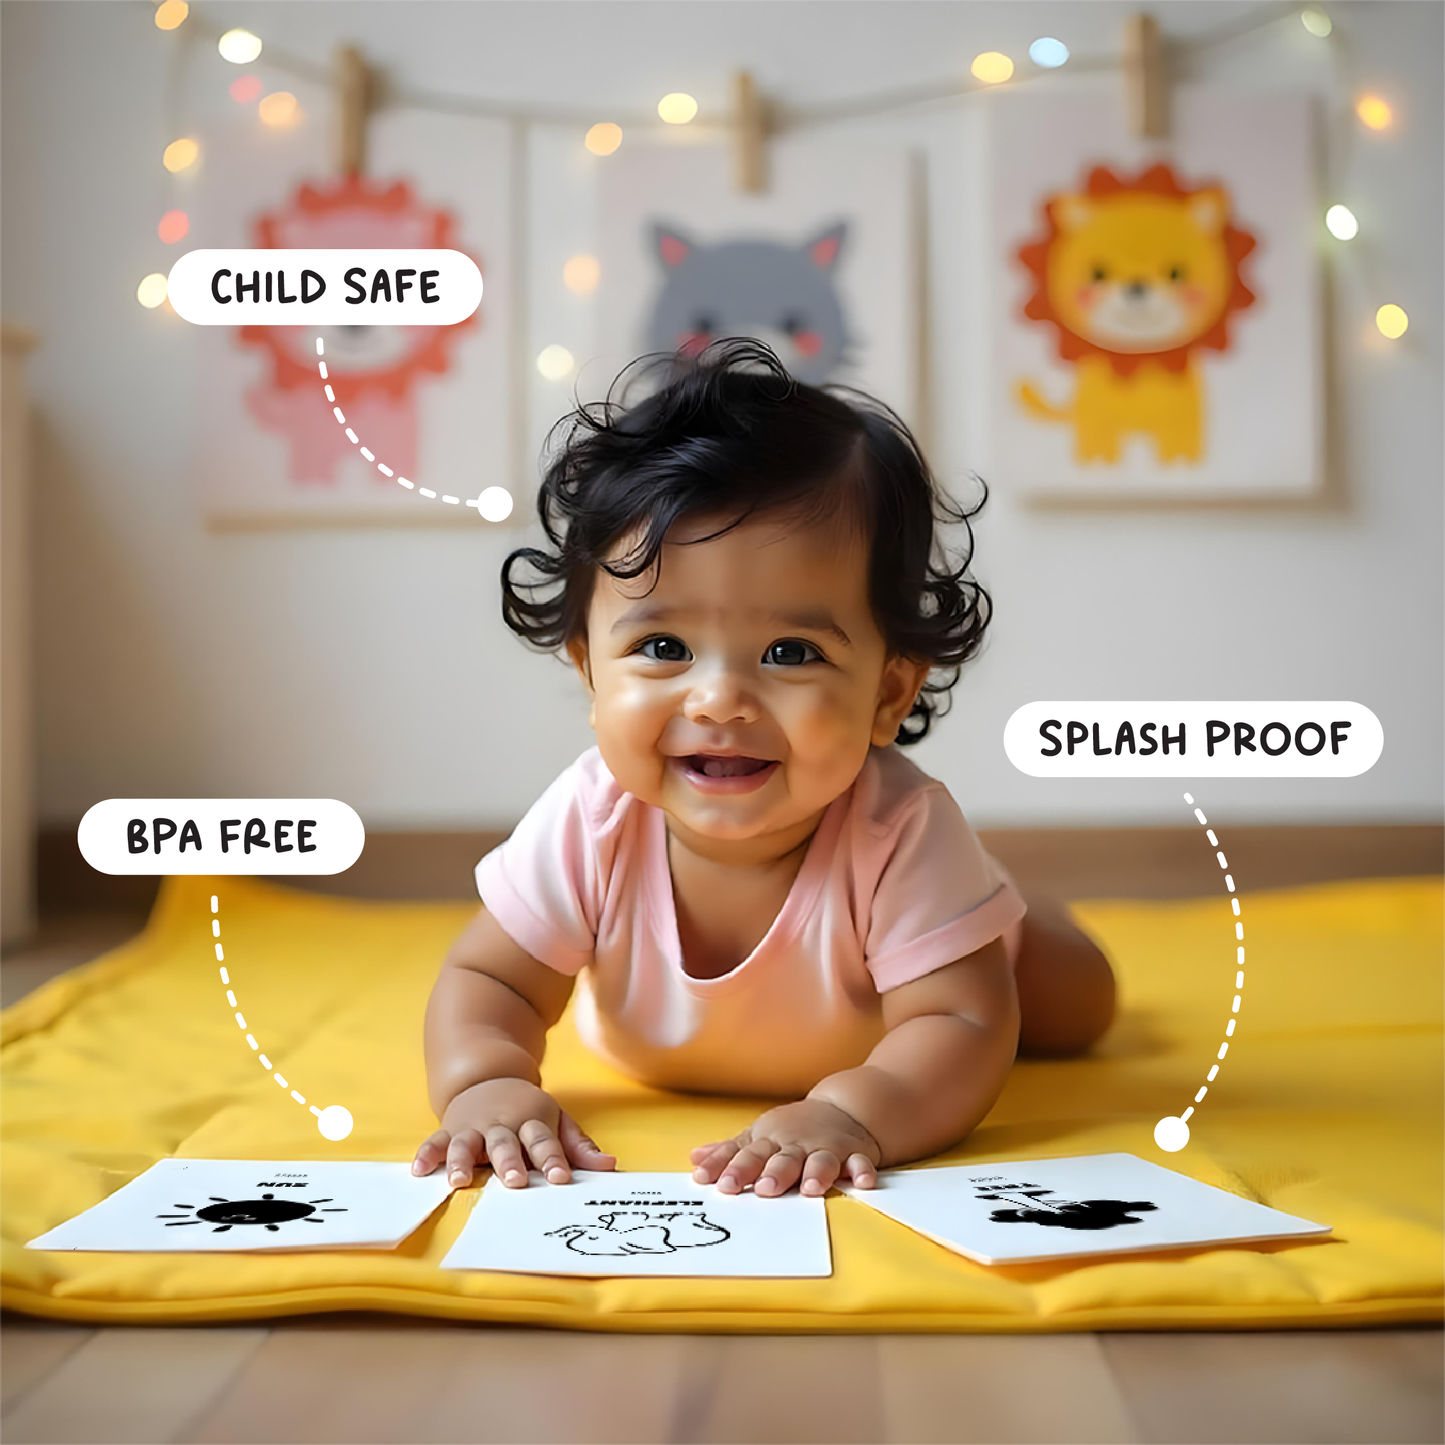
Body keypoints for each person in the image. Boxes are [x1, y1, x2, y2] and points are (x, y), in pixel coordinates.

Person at [413, 338, 1115, 1200]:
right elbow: (488, 978)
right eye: (663, 646)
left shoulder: (899, 828)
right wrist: (485, 1079)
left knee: (1078, 1007)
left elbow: (960, 1023)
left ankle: (1005, 912)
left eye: (789, 651)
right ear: (591, 673)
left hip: (942, 953)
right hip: (650, 1036)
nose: (719, 698)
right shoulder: (589, 817)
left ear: (890, 691)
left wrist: (858, 1109)